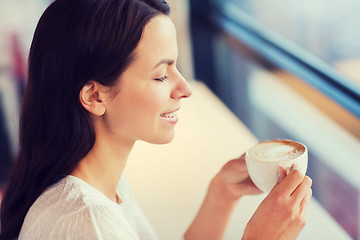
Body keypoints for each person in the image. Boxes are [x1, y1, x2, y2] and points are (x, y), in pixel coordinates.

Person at [0, 0, 313, 239]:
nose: (185, 89)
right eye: (162, 75)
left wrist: (222, 194)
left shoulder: (103, 184)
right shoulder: (85, 221)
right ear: (95, 96)